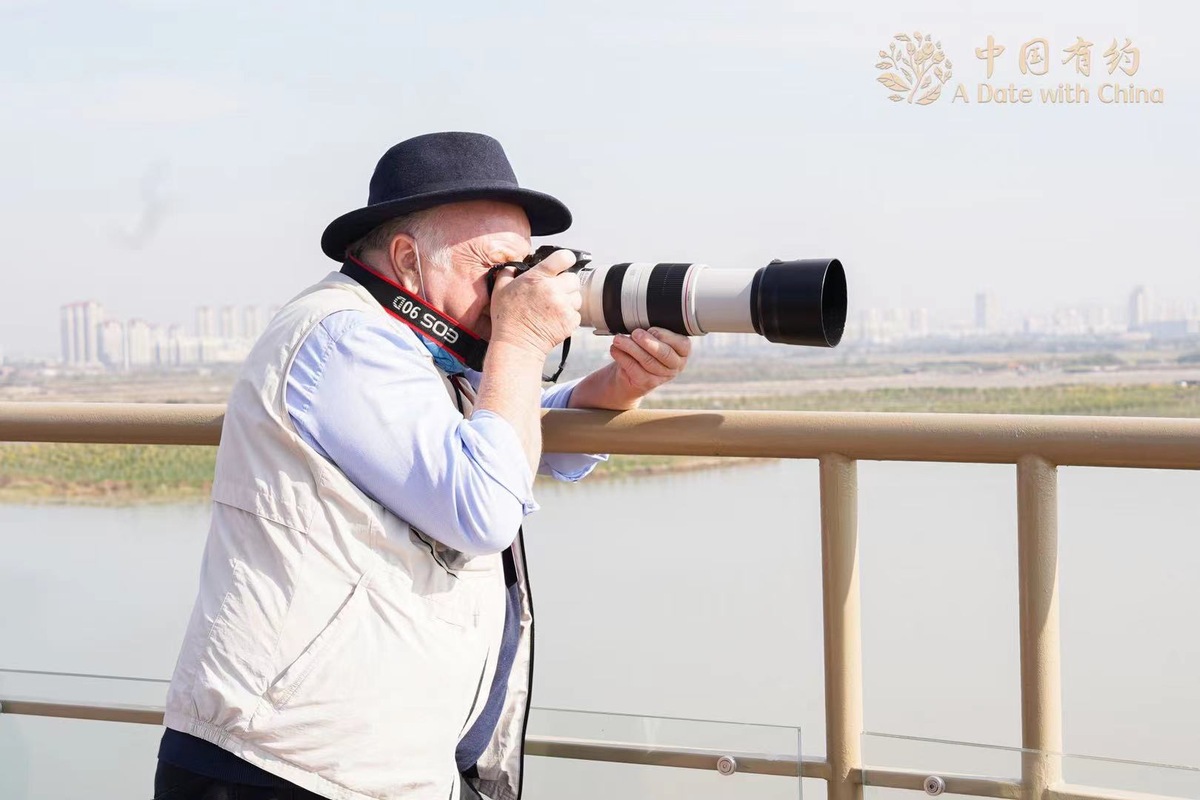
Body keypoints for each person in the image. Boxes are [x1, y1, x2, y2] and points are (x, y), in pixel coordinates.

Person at [153, 132, 692, 800]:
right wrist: (522, 340)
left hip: (363, 763)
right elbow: (483, 506)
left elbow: (500, 440)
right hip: (282, 767)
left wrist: (614, 388)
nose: (513, 290)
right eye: (495, 268)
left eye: (524, 269)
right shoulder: (346, 337)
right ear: (408, 260)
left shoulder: (422, 349)